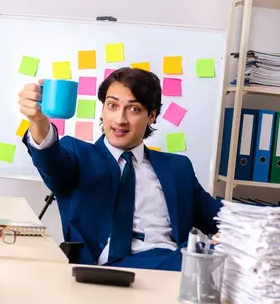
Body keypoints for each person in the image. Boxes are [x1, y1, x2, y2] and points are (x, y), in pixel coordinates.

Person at [18, 67, 221, 271]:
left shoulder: (178, 168)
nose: (120, 120)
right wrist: (38, 121)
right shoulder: (78, 155)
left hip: (170, 267)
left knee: (211, 257)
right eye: (112, 105)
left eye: (133, 109)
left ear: (151, 115)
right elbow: (50, 160)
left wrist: (239, 234)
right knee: (197, 259)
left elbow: (219, 220)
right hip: (108, 270)